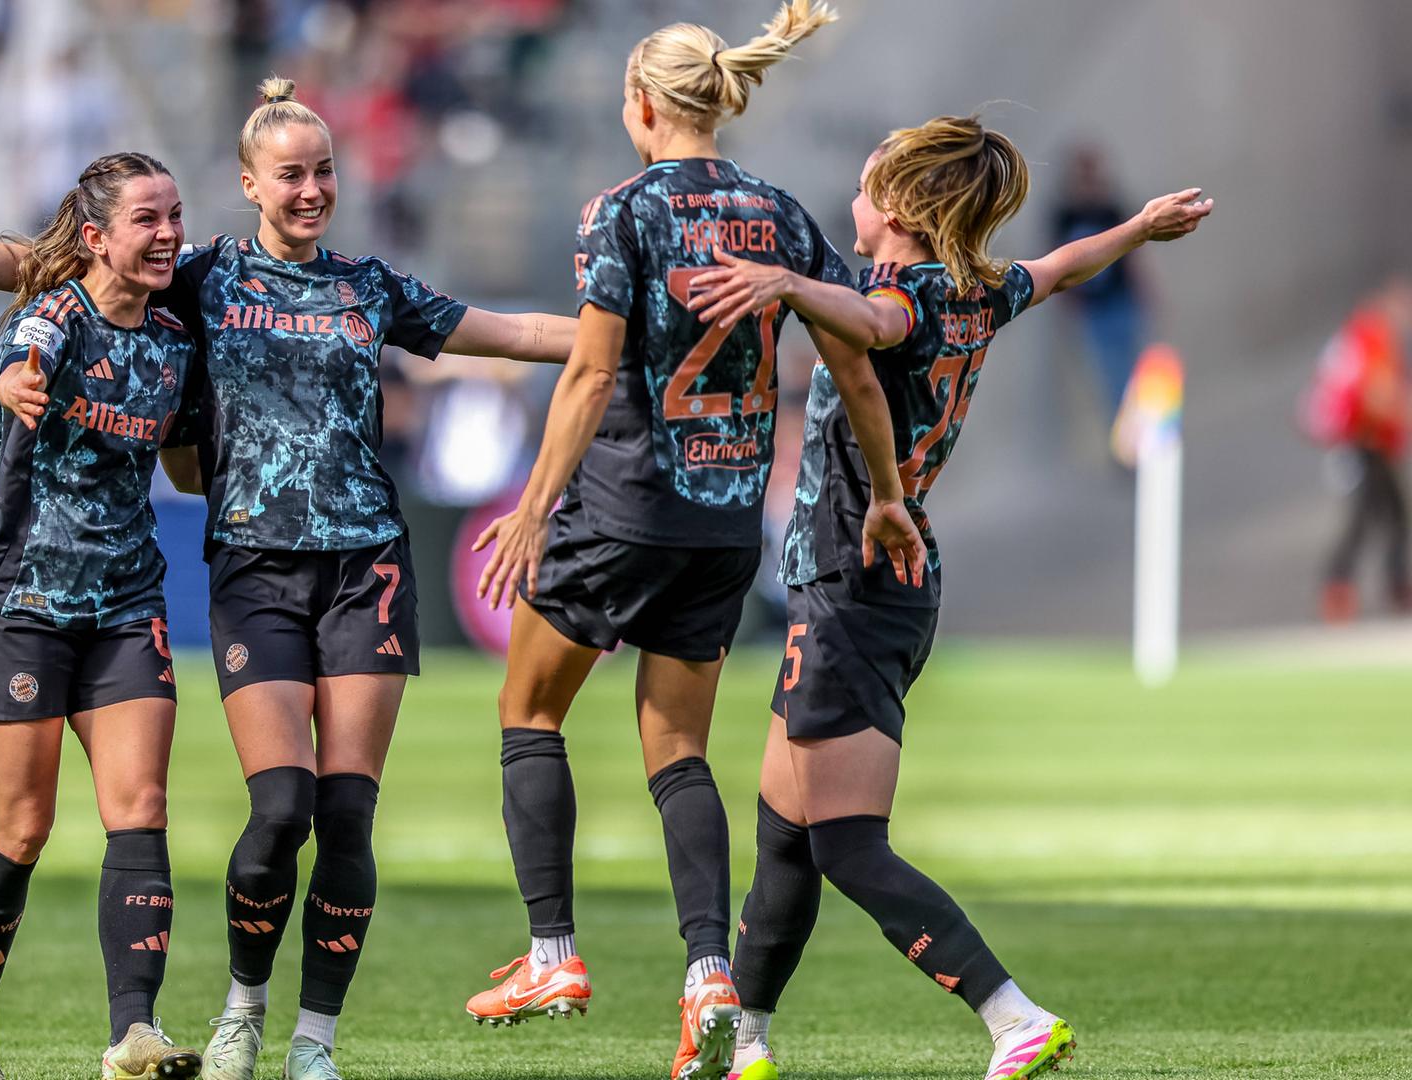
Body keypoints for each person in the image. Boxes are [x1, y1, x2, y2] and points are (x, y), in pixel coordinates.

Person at [0, 80, 575, 1080]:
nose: (313, 189)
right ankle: (10, 1027)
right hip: (123, 586)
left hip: (253, 584)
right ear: (252, 185)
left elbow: (506, 331)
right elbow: (39, 275)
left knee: (207, 809)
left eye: (324, 171)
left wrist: (626, 334)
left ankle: (191, 1036)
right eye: (292, 174)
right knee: (75, 823)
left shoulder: (316, 295)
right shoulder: (177, 288)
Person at [682, 116, 1211, 1080]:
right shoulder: (976, 293)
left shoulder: (901, 300)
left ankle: (1013, 1018)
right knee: (786, 835)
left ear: (895, 208)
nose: (851, 195)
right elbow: (1058, 266)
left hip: (854, 582)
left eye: (863, 180)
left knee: (846, 844)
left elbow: (880, 329)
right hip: (863, 586)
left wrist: (788, 283)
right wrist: (1135, 228)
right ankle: (741, 1046)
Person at [461, 6, 926, 1079]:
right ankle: (708, 976)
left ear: (642, 107)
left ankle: (551, 954)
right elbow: (855, 362)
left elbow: (587, 371)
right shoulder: (781, 215)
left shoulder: (619, 212)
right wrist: (888, 492)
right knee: (678, 751)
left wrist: (536, 503)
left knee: (529, 708)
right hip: (721, 527)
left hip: (622, 505)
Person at [0, 151, 205, 1080]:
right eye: (147, 219)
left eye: (175, 214)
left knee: (142, 809)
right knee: (22, 827)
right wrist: (13, 379)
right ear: (96, 238)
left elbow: (182, 456)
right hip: (24, 600)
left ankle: (134, 1032)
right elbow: (27, 343)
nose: (168, 232)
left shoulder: (176, 331)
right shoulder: (57, 316)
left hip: (128, 601)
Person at [1306, 279, 1412, 620]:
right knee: (1367, 519)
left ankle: (1387, 584)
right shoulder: (1374, 336)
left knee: (1387, 515)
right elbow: (1375, 392)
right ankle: (1343, 587)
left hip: (1366, 441)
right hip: (1366, 442)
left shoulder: (1361, 335)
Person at [1051, 145, 1149, 417]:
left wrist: (1144, 293)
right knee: (1112, 378)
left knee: (1136, 371)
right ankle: (1128, 443)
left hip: (1120, 300)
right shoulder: (1066, 216)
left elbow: (1132, 257)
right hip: (1093, 310)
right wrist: (1067, 305)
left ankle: (1143, 436)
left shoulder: (1110, 209)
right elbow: (1053, 263)